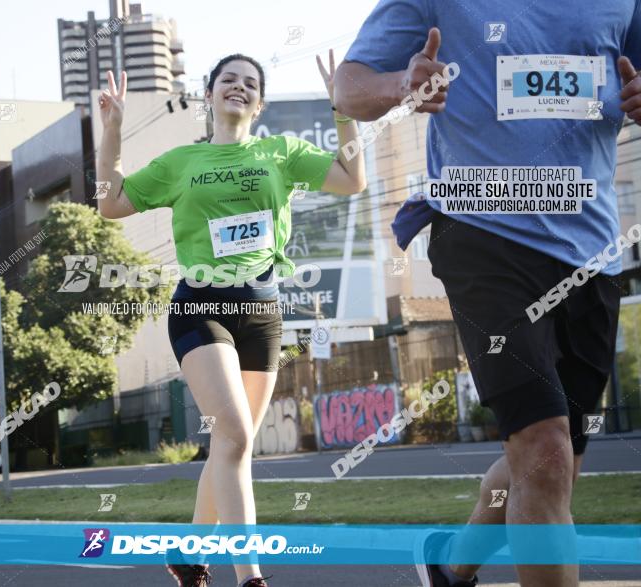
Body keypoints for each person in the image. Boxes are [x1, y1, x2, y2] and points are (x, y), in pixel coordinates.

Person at [334, 1, 641, 586]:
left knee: (556, 462)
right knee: (544, 451)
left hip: (591, 251)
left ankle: (451, 566)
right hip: (483, 234)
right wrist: (401, 84)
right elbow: (349, 87)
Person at [96, 51, 366, 587]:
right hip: (201, 307)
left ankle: (190, 557)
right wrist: (113, 131)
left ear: (259, 103)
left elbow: (351, 178)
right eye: (228, 80)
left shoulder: (282, 152)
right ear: (210, 93)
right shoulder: (181, 163)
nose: (238, 87)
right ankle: (251, 578)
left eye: (249, 83)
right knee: (238, 436)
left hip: (262, 312)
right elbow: (110, 202)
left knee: (228, 443)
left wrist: (343, 111)